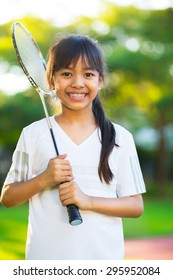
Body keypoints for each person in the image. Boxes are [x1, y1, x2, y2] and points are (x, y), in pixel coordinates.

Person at [0, 34, 146, 260]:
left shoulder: (120, 137)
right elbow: (8, 198)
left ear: (100, 80)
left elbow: (135, 206)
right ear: (51, 80)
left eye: (88, 74)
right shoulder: (32, 134)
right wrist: (44, 179)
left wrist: (88, 201)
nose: (78, 83)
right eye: (67, 74)